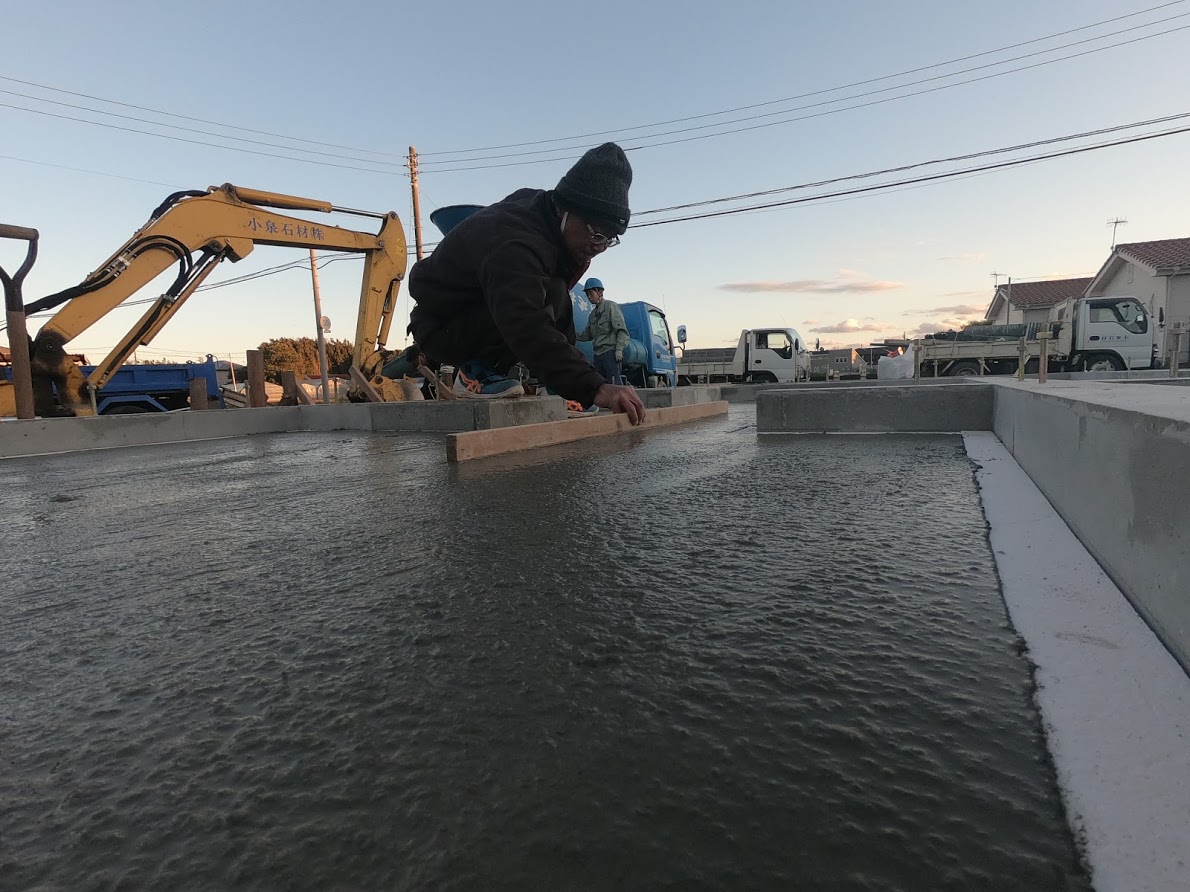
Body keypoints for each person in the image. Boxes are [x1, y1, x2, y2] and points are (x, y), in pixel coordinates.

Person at [406, 143, 645, 425]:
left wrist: (575, 385)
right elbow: (525, 322)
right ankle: (474, 373)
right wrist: (595, 387)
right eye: (596, 235)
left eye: (610, 239)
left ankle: (555, 387)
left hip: (481, 311)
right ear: (567, 210)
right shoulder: (516, 243)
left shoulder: (553, 227)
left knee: (555, 291)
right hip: (444, 326)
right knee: (523, 299)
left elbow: (556, 307)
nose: (600, 247)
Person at [577, 278, 630, 386]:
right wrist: (571, 334)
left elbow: (622, 331)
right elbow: (587, 335)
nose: (589, 297)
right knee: (601, 387)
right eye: (587, 294)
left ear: (599, 292)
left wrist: (619, 349)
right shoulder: (592, 315)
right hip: (598, 355)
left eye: (591, 293)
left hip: (610, 354)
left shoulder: (610, 306)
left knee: (614, 387)